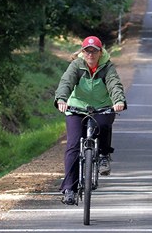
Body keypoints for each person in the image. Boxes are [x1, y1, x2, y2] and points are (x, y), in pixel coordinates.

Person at [54, 36, 126, 205]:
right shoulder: (76, 66)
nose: (91, 54)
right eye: (87, 51)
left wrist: (118, 101)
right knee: (72, 145)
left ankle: (103, 154)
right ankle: (69, 189)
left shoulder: (107, 67)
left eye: (94, 51)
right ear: (82, 52)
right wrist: (61, 99)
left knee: (103, 124)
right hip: (77, 107)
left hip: (102, 106)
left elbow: (114, 84)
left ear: (101, 52)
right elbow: (66, 82)